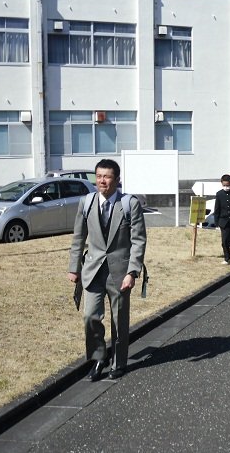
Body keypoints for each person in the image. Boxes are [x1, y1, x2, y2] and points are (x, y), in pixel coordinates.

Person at [68, 159, 147, 381]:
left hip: (120, 271)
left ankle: (118, 362)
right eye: (99, 176)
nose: (102, 181)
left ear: (117, 179)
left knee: (119, 320)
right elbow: (78, 238)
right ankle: (99, 357)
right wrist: (73, 267)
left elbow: (139, 241)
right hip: (93, 269)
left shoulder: (129, 204)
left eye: (107, 176)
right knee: (90, 316)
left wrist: (133, 272)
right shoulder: (86, 202)